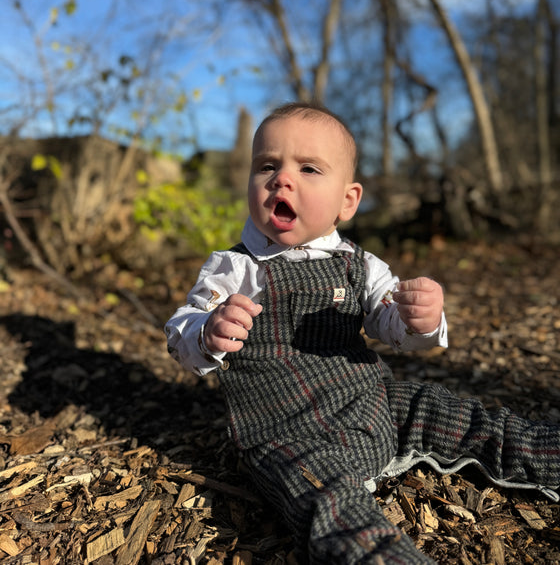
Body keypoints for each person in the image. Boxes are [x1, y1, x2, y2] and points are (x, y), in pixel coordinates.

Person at [166, 102, 559, 564]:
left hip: (372, 402)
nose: (281, 179)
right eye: (267, 166)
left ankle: (545, 453)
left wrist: (421, 319)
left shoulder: (360, 265)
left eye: (309, 168)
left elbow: (392, 326)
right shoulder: (233, 268)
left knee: (459, 415)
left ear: (347, 201)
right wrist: (207, 332)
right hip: (284, 434)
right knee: (328, 503)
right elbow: (181, 330)